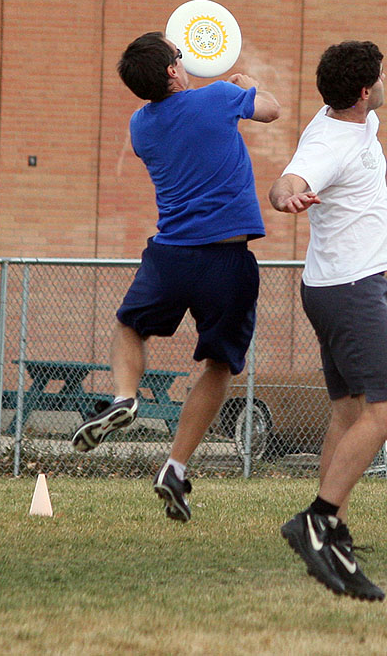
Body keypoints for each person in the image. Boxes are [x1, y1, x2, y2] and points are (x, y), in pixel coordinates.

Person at [71, 31, 280, 523]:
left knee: (129, 325)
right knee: (218, 365)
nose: (185, 62)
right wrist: (248, 84)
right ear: (170, 71)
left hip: (169, 257)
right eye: (179, 58)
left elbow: (182, 122)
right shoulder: (220, 98)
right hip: (228, 260)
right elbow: (270, 110)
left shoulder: (140, 126)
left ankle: (124, 397)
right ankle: (175, 464)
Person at [269, 41, 387, 601]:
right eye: (381, 76)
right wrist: (286, 197)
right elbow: (290, 181)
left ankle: (331, 535)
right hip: (350, 292)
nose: (385, 81)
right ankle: (318, 520)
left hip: (337, 286)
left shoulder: (350, 120)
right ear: (366, 92)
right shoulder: (331, 139)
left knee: (348, 415)